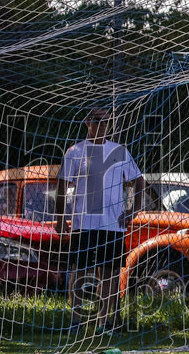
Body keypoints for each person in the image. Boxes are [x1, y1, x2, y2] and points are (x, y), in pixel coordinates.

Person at [55, 107, 145, 333]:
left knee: (110, 274)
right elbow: (62, 185)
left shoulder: (119, 151)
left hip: (112, 224)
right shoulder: (75, 151)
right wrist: (60, 218)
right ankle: (76, 320)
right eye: (98, 121)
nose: (103, 125)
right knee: (78, 271)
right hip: (83, 223)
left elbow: (139, 181)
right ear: (87, 123)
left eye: (106, 121)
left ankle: (104, 322)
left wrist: (133, 210)